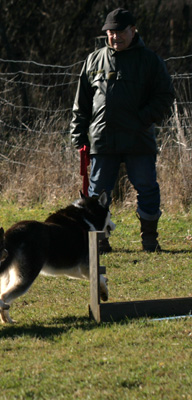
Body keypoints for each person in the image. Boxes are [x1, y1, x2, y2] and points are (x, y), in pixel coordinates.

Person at [70, 8, 175, 252]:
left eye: (120, 32)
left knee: (147, 188)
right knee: (97, 195)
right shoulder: (93, 60)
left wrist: (143, 118)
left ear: (133, 30)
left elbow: (165, 95)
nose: (115, 37)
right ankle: (100, 242)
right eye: (110, 33)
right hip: (102, 140)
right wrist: (78, 133)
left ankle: (149, 239)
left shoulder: (149, 60)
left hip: (138, 138)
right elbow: (81, 102)